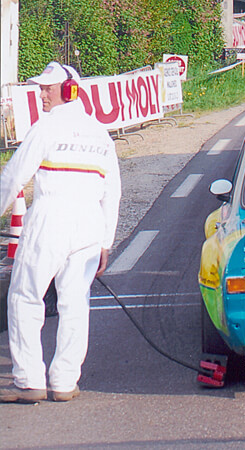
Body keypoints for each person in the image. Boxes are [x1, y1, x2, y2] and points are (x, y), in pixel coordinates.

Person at [0, 62, 121, 403]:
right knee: (75, 303)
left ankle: (29, 380)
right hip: (89, 225)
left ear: (69, 91)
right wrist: (106, 243)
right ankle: (65, 381)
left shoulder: (48, 127)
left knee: (25, 296)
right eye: (40, 88)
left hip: (51, 217)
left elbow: (13, 176)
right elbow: (113, 192)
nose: (42, 93)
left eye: (48, 88)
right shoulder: (100, 133)